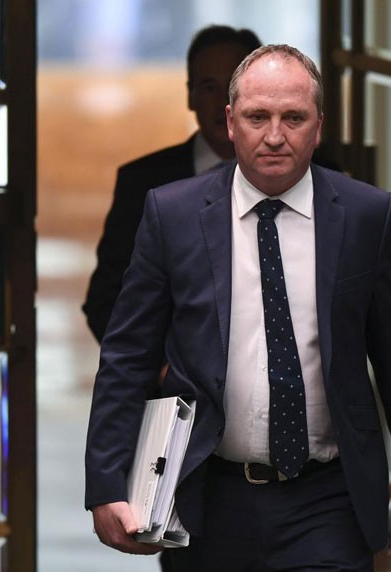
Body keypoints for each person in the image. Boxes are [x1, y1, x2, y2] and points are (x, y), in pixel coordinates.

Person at [85, 44, 391, 572]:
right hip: (209, 496)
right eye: (258, 117)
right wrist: (107, 484)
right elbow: (127, 355)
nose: (274, 135)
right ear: (231, 123)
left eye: (293, 118)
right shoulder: (173, 214)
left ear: (318, 126)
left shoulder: (364, 215)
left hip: (327, 500)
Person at [82, 25, 262, 342]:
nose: (223, 102)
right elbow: (105, 301)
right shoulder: (142, 183)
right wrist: (160, 372)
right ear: (190, 95)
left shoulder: (309, 175)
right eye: (209, 87)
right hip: (173, 383)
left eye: (234, 87)